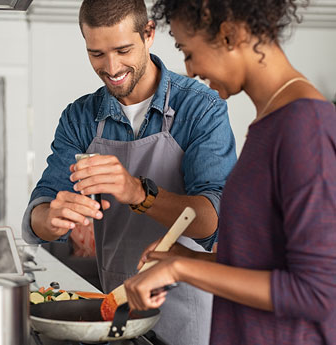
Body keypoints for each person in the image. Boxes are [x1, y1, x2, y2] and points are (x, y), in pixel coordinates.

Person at [22, 0, 237, 343]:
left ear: (149, 34)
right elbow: (40, 212)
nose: (111, 67)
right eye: (96, 54)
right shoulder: (80, 117)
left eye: (123, 50)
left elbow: (213, 221)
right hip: (118, 313)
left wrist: (139, 193)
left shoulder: (201, 108)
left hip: (190, 315)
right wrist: (51, 217)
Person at [124, 0, 336, 344]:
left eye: (188, 51)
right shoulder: (270, 123)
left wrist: (181, 268)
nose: (189, 70)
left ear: (229, 35)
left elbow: (318, 291)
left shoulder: (304, 127)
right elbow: (264, 258)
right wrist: (188, 256)